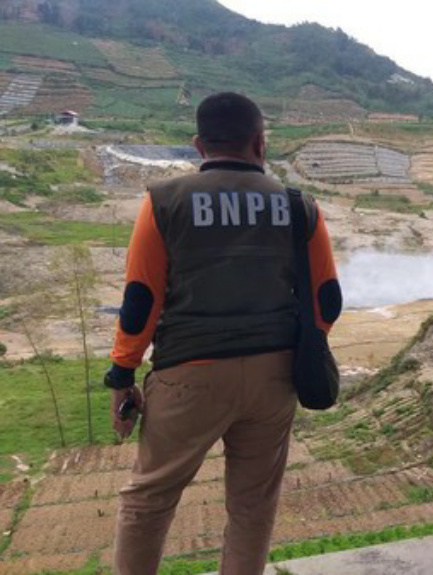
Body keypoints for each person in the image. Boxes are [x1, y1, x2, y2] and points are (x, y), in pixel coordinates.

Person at [104, 92, 342, 575]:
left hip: (188, 375)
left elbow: (140, 300)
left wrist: (122, 374)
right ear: (260, 142)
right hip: (273, 379)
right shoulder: (299, 206)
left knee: (148, 502)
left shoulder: (164, 201)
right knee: (252, 507)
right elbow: (327, 300)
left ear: (197, 145)